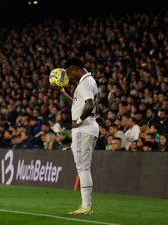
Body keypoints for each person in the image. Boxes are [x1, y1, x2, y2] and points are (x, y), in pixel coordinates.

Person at [57, 58, 98, 215]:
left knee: (83, 168)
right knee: (83, 167)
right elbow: (77, 104)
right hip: (88, 128)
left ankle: (86, 207)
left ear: (74, 69)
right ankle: (86, 206)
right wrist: (64, 93)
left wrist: (78, 122)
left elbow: (89, 104)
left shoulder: (85, 83)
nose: (68, 77)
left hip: (83, 129)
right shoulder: (88, 82)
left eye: (68, 73)